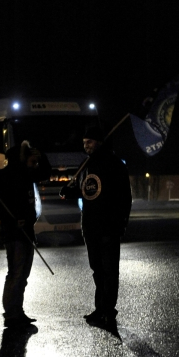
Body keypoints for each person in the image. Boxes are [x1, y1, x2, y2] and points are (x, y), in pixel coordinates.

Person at [60, 126, 132, 338]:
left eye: (89, 142)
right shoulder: (86, 165)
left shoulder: (114, 164)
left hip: (109, 226)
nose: (85, 146)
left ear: (99, 141)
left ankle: (109, 310)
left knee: (110, 271)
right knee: (97, 270)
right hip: (90, 226)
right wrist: (69, 191)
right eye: (84, 143)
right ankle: (100, 308)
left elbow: (125, 197)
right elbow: (86, 190)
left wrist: (121, 224)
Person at [0, 141, 52, 328]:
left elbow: (45, 174)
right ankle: (11, 313)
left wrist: (41, 155)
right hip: (13, 233)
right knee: (16, 273)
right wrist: (12, 221)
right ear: (20, 158)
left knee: (23, 275)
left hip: (27, 232)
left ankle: (18, 310)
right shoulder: (3, 176)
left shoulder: (25, 174)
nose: (32, 163)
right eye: (29, 158)